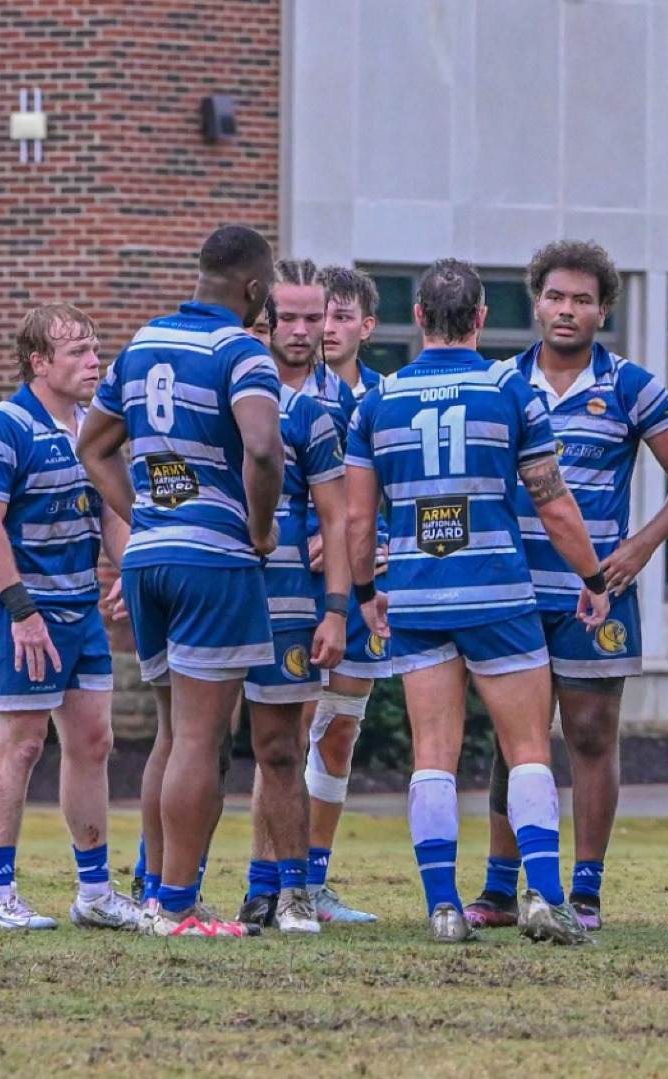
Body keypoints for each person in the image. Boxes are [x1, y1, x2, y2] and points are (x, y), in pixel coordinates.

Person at [344, 258, 611, 945]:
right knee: (526, 747)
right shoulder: (510, 389)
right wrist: (594, 575)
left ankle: (442, 906)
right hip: (498, 594)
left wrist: (368, 591)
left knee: (432, 751)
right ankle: (548, 898)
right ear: (483, 318)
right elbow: (551, 500)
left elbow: (355, 518)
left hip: (419, 597)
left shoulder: (378, 400)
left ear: (421, 319)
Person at [465, 241, 668, 933]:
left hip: (597, 593)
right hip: (514, 589)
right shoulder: (500, 381)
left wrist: (643, 545)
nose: (568, 310)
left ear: (604, 310)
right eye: (557, 296)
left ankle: (585, 889)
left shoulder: (630, 386)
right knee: (513, 739)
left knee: (591, 734)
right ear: (536, 301)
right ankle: (502, 889)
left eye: (583, 299)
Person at [78, 224, 284, 938]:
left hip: (150, 559)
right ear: (255, 290)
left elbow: (92, 445)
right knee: (203, 737)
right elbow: (262, 446)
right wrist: (259, 530)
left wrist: (147, 511)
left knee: (170, 732)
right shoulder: (241, 351)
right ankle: (178, 907)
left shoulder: (139, 345)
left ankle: (157, 897)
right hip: (213, 561)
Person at [0, 304, 141, 933]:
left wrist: (129, 575)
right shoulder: (0, 429)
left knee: (94, 742)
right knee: (23, 744)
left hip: (79, 608)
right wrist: (22, 611)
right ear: (39, 363)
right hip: (19, 612)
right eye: (78, 352)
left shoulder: (97, 428)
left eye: (97, 349)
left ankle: (94, 891)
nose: (95, 361)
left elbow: (115, 511)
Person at [225, 259, 353, 935]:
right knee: (195, 739)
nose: (304, 331)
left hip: (298, 598)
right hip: (219, 587)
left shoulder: (335, 404)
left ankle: (285, 886)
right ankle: (163, 883)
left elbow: (356, 503)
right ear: (263, 319)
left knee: (289, 740)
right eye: (290, 318)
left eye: (316, 317)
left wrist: (342, 595)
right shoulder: (231, 384)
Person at [297, 264, 392, 925]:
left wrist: (376, 543)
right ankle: (266, 877)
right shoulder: (285, 389)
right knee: (283, 731)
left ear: (366, 325)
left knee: (339, 731)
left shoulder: (386, 398)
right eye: (315, 315)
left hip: (361, 591)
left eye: (338, 316)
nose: (324, 328)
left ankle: (316, 881)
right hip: (291, 586)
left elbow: (396, 485)